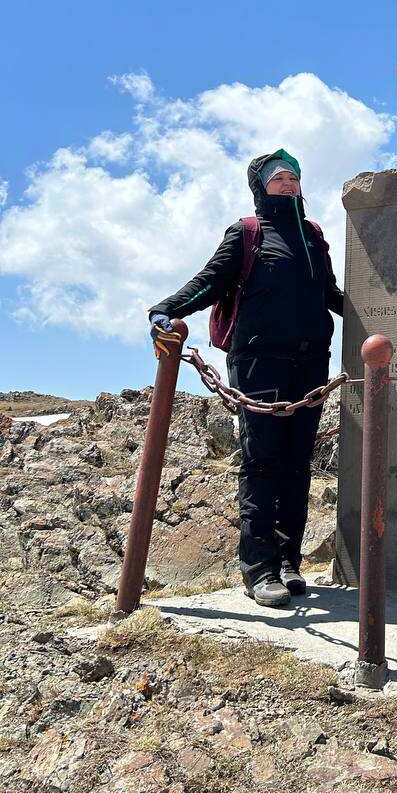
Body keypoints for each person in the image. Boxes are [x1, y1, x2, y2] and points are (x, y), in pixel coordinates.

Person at [147, 150, 343, 608]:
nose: (290, 183)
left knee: (298, 463)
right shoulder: (248, 233)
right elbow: (210, 281)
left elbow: (330, 292)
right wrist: (167, 310)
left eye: (294, 176)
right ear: (260, 187)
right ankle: (259, 568)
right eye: (279, 178)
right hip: (259, 364)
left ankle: (289, 560)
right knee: (262, 462)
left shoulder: (314, 236)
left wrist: (376, 314)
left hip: (311, 363)